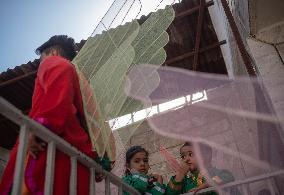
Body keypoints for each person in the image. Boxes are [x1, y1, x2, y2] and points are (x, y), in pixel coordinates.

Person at [0, 35, 106, 195]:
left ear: (54, 52)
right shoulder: (82, 84)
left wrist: (39, 129)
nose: (40, 65)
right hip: (74, 158)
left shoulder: (55, 63)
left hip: (49, 152)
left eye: (41, 59)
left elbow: (57, 101)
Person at [166, 142, 235, 195]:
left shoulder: (215, 173)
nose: (186, 159)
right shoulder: (185, 182)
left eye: (191, 154)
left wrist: (204, 186)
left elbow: (227, 177)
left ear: (206, 156)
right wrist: (180, 174)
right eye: (183, 157)